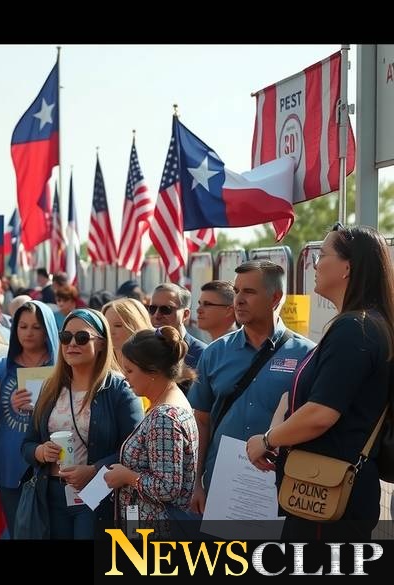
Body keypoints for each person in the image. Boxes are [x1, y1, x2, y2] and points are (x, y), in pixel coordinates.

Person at [246, 225, 394, 541]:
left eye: (322, 255)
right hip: (324, 488)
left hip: (328, 494)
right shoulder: (362, 325)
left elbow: (321, 414)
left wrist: (269, 439)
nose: (315, 263)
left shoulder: (355, 329)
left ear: (347, 267)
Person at [188, 261, 314, 515]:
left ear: (275, 298)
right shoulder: (215, 353)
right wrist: (195, 483)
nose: (239, 299)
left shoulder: (308, 355)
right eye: (236, 291)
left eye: (249, 292)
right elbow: (200, 421)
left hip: (279, 486)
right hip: (220, 485)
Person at [20, 309, 144, 538]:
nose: (72, 344)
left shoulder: (118, 389)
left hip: (98, 495)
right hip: (51, 494)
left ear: (101, 345)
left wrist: (93, 470)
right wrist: (40, 451)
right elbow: (27, 443)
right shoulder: (50, 388)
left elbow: (136, 450)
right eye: (66, 337)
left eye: (82, 337)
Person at [104, 327, 198, 537]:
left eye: (129, 371)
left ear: (152, 371)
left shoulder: (164, 417)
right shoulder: (170, 403)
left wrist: (126, 476)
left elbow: (166, 487)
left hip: (154, 532)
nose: (125, 378)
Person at [0, 300, 58, 536]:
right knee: (18, 530)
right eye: (23, 326)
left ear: (47, 330)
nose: (28, 333)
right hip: (9, 462)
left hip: (53, 462)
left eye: (36, 327)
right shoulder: (1, 366)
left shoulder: (62, 367)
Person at [148, 283, 206, 372]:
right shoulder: (142, 348)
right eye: (152, 308)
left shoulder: (202, 354)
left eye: (166, 309)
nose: (157, 315)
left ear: (185, 315)